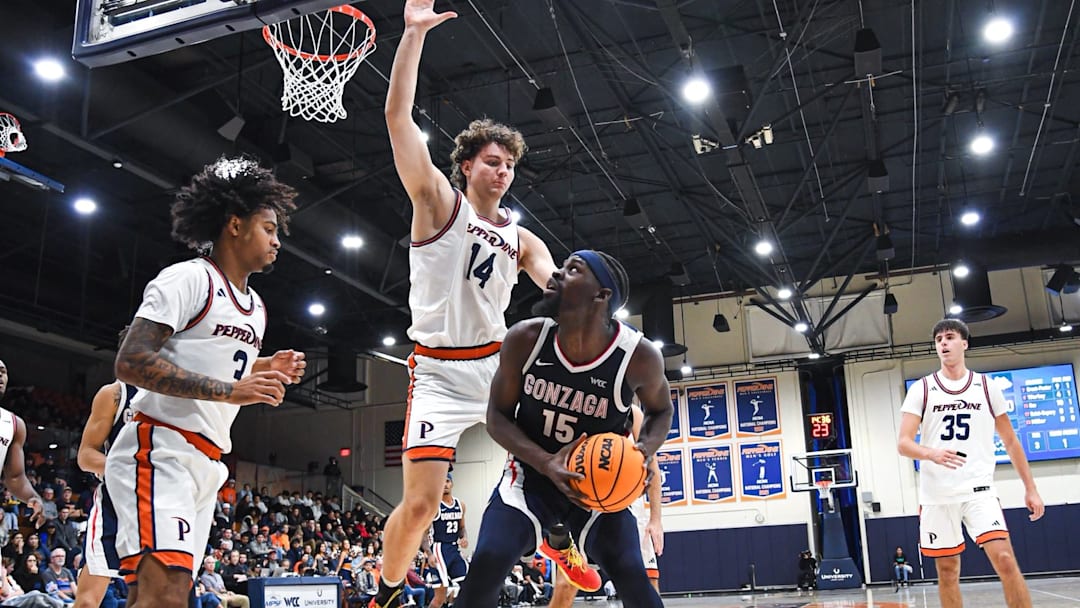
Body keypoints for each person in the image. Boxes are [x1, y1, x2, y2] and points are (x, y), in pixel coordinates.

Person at [372, 1, 558, 605]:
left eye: (509, 167)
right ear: (467, 166)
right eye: (493, 163)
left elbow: (553, 280)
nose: (503, 173)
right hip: (434, 372)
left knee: (556, 451)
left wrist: (575, 294)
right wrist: (413, 35)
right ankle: (390, 588)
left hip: (494, 368)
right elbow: (397, 115)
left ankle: (565, 535)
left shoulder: (521, 236)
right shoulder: (435, 202)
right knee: (423, 502)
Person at [104, 156, 307, 608]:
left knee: (157, 595)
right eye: (269, 228)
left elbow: (218, 365)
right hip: (161, 448)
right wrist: (236, 390)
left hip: (207, 462)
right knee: (167, 597)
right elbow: (132, 360)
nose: (277, 241)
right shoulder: (189, 278)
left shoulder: (255, 306)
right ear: (234, 225)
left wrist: (264, 366)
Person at [453, 251, 673, 608]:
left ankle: (561, 541)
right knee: (486, 564)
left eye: (573, 269)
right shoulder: (526, 338)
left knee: (635, 580)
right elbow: (496, 416)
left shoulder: (637, 355)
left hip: (598, 487)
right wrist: (544, 462)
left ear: (600, 296)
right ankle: (556, 539)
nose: (556, 272)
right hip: (531, 479)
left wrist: (644, 450)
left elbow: (661, 411)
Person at [898, 318, 1045, 608]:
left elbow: (1011, 441)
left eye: (949, 337)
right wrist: (931, 453)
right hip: (937, 495)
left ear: (964, 343)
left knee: (1005, 559)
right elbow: (903, 443)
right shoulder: (923, 389)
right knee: (948, 571)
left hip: (979, 490)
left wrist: (1031, 488)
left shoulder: (986, 387)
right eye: (939, 339)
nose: (943, 343)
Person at [548, 405, 664, 606]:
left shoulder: (633, 414)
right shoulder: (581, 406)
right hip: (584, 503)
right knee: (566, 584)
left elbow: (652, 466)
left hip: (629, 506)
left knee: (645, 580)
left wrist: (656, 518)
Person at [0, 360, 46, 531]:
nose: (0, 374)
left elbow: (15, 478)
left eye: (3, 371)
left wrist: (33, 497)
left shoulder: (14, 424)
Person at [422, 473, 467, 608]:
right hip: (439, 550)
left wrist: (464, 537)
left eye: (447, 481)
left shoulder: (461, 505)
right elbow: (423, 534)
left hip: (454, 549)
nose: (445, 484)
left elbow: (462, 527)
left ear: (452, 483)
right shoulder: (433, 506)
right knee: (439, 598)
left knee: (467, 587)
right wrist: (429, 554)